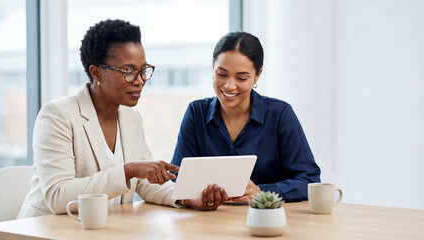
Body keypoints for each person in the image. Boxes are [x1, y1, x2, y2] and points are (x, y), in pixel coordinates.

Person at [18, 19, 227, 218]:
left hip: (102, 230)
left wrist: (186, 198)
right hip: (44, 230)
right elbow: (58, 196)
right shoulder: (58, 116)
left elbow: (145, 183)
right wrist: (130, 170)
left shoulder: (131, 118)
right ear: (96, 73)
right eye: (128, 71)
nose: (140, 81)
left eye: (143, 70)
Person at [171, 31, 321, 203]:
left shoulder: (280, 114)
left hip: (266, 221)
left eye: (241, 78)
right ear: (213, 66)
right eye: (221, 74)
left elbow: (310, 181)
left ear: (257, 75)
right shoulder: (196, 113)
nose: (229, 86)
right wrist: (192, 200)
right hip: (209, 221)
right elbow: (177, 178)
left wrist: (261, 192)